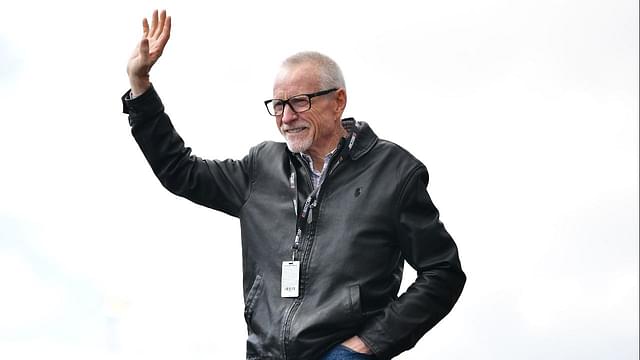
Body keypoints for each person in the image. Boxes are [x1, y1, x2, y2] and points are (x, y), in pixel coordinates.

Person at [122, 10, 465, 360]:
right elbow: (179, 171)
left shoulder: (394, 173)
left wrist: (366, 347)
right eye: (278, 105)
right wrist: (140, 85)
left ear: (338, 102)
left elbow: (443, 273)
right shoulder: (261, 168)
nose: (286, 118)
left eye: (300, 102)